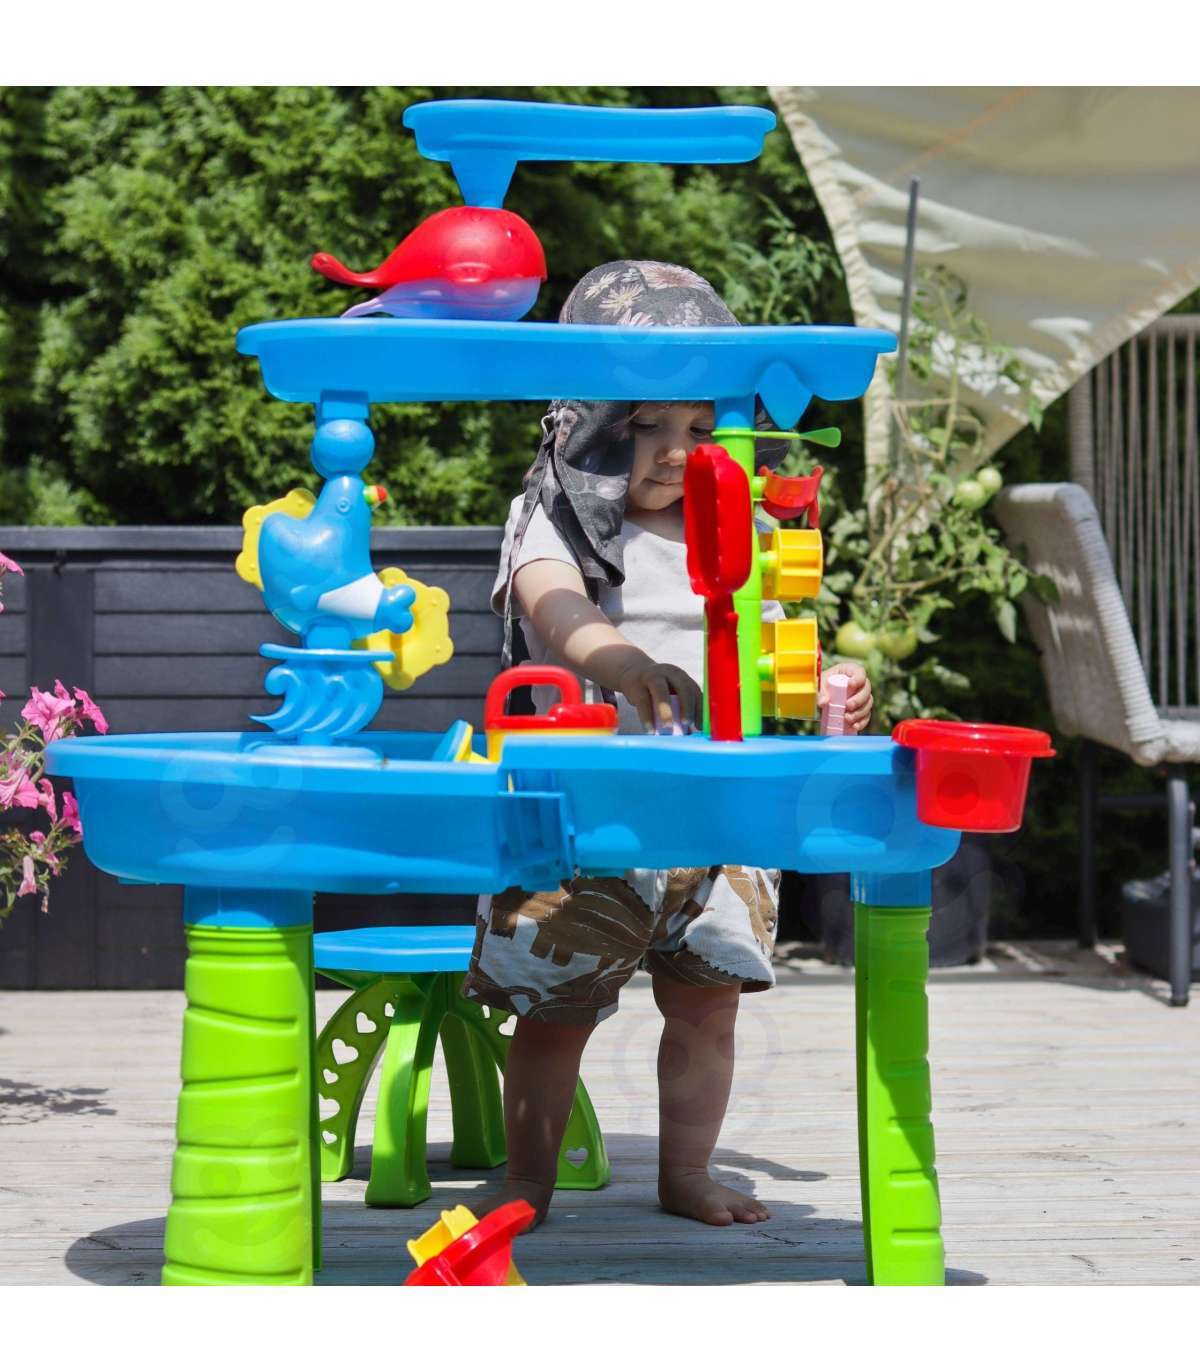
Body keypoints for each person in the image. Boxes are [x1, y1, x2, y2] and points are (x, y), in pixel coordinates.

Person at [462, 261, 873, 1229]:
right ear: (590, 426)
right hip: (585, 821)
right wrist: (627, 665)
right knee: (554, 1010)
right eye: (650, 427)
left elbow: (776, 649)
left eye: (702, 427)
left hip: (722, 817)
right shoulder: (555, 516)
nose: (680, 453)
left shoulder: (743, 528)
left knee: (708, 1006)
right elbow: (556, 611)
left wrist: (832, 688)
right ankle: (527, 1179)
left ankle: (686, 1172)